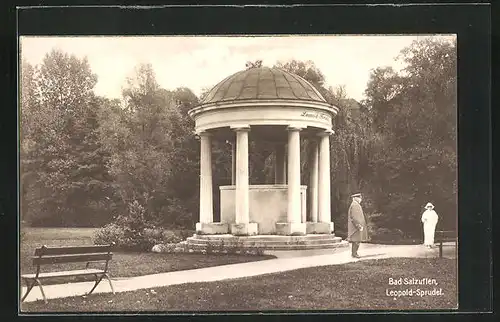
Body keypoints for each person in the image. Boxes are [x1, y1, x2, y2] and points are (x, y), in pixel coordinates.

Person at [347, 193, 369, 258]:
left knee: (356, 240)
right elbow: (354, 217)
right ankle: (354, 254)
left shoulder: (355, 204)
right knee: (356, 240)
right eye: (359, 198)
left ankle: (354, 253)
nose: (360, 199)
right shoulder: (355, 205)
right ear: (355, 198)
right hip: (356, 227)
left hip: (357, 226)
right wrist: (358, 225)